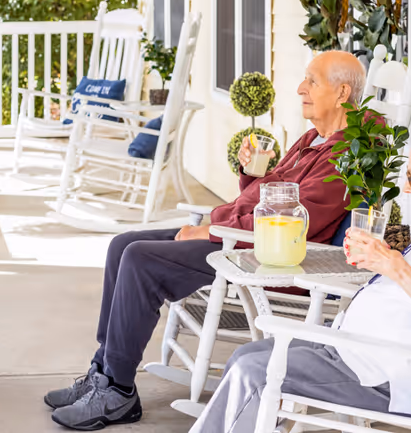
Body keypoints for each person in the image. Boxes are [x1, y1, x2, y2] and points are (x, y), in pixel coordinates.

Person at [45, 50, 367, 431]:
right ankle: (103, 370)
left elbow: (292, 222)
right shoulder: (313, 140)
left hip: (265, 260)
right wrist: (253, 172)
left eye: (312, 81)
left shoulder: (345, 157)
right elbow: (269, 198)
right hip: (241, 239)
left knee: (139, 259)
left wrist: (212, 230)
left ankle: (117, 391)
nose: (300, 89)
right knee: (122, 245)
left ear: (342, 92)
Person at [190, 120, 411, 433]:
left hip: (379, 372)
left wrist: (394, 265)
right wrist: (382, 263)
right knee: (246, 355)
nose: (407, 187)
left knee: (254, 372)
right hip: (352, 349)